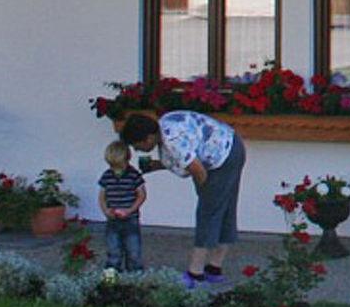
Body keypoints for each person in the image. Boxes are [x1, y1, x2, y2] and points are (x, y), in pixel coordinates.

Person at [117, 109, 245, 287]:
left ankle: (196, 273)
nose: (137, 150)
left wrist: (205, 194)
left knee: (208, 214)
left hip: (223, 158)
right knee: (223, 211)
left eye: (136, 145)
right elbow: (187, 155)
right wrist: (156, 166)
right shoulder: (165, 124)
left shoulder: (172, 142)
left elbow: (198, 170)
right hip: (230, 144)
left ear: (148, 138)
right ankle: (214, 269)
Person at [97, 140, 146, 272]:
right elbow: (102, 196)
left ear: (127, 159)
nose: (116, 169)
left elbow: (141, 195)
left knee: (134, 252)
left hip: (130, 220)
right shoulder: (107, 176)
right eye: (113, 166)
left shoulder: (133, 175)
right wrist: (106, 211)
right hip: (113, 220)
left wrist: (129, 210)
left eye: (119, 165)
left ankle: (136, 281)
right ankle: (111, 282)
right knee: (113, 252)